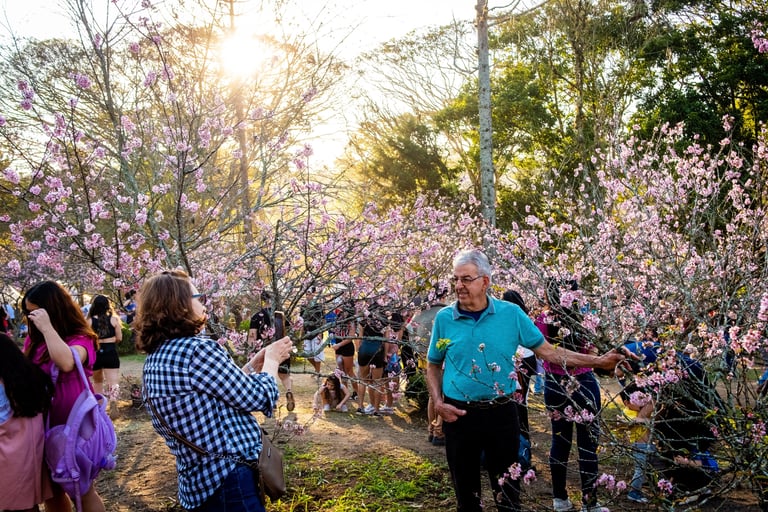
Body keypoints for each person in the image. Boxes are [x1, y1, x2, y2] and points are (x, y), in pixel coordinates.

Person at [426, 250, 627, 512]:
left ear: (485, 281)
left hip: (502, 414)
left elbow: (550, 352)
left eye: (466, 279)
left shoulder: (511, 314)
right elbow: (433, 364)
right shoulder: (445, 318)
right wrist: (438, 403)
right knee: (466, 496)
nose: (458, 286)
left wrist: (598, 361)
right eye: (455, 279)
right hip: (458, 415)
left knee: (509, 495)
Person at [135, 270, 294, 512]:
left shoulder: (155, 359)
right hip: (229, 479)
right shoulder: (198, 350)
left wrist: (253, 366)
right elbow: (259, 397)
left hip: (197, 482)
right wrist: (273, 360)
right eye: (197, 297)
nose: (203, 304)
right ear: (180, 305)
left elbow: (210, 393)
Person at [21, 280, 107, 512]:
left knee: (82, 489)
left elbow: (67, 362)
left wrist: (48, 329)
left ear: (53, 310)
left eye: (35, 312)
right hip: (43, 423)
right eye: (29, 313)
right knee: (52, 491)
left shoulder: (81, 337)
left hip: (74, 424)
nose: (31, 318)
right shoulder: (34, 340)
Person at [538, 279, 615, 512]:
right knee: (587, 445)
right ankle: (590, 502)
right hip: (584, 382)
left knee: (559, 441)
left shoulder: (542, 320)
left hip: (554, 384)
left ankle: (559, 499)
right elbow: (592, 352)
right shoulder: (585, 319)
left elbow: (542, 353)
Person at [1, 332, 54, 511]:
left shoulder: (2, 387)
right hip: (33, 458)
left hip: (8, 462)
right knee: (28, 506)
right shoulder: (31, 378)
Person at [407, 287, 448, 445]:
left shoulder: (421, 312)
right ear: (443, 295)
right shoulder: (445, 312)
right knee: (444, 394)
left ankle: (431, 429)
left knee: (433, 394)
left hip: (425, 357)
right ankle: (439, 431)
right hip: (442, 358)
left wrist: (418, 350)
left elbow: (410, 330)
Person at [248, 290, 295, 412]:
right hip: (282, 348)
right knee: (284, 375)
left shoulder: (256, 317)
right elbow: (291, 331)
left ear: (263, 300)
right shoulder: (281, 315)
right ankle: (289, 391)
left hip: (265, 351)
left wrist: (251, 350)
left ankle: (272, 402)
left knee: (268, 375)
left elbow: (252, 336)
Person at [502, 289, 537, 442]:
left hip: (517, 359)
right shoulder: (526, 317)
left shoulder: (508, 318)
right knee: (523, 397)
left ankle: (521, 436)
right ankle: (523, 435)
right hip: (528, 357)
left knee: (516, 398)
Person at [87, 295, 123, 405]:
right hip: (110, 352)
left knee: (97, 382)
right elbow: (119, 338)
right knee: (113, 382)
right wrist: (110, 339)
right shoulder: (114, 320)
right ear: (107, 305)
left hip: (96, 354)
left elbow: (86, 339)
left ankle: (99, 406)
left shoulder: (89, 321)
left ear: (94, 306)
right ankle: (114, 403)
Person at [355, 303, 389, 416]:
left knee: (362, 380)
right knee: (377, 382)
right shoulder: (384, 322)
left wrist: (359, 350)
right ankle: (376, 410)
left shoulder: (363, 321)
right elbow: (386, 341)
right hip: (377, 350)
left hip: (364, 349)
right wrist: (385, 355)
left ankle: (360, 406)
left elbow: (359, 337)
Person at [300, 287, 325, 377]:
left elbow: (322, 320)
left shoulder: (318, 306)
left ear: (314, 294)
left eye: (310, 294)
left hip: (316, 332)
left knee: (317, 355)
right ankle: (317, 370)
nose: (308, 296)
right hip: (307, 333)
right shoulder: (303, 306)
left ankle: (317, 373)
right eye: (306, 294)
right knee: (307, 354)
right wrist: (301, 334)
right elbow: (301, 321)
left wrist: (320, 333)